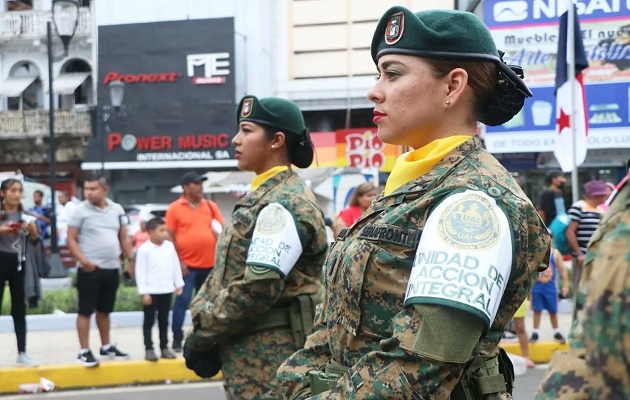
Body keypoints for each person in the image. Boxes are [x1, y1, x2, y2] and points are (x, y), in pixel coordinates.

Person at [277, 7, 549, 399]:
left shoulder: (473, 202)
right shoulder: (410, 188)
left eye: (393, 73)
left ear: (453, 86)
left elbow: (420, 367)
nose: (375, 90)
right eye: (378, 74)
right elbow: (332, 330)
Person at [184, 95, 329, 399]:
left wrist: (202, 333)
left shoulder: (284, 202)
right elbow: (227, 272)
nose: (236, 139)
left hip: (271, 359)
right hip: (252, 352)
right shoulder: (266, 196)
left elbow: (257, 289)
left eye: (247, 131)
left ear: (276, 140)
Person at [535, 164, 630, 399]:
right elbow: (563, 226)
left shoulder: (612, 207)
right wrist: (576, 251)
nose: (563, 180)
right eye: (559, 177)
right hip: (583, 257)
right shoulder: (556, 197)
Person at [67, 176, 134, 367]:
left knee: (105, 310)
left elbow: (123, 236)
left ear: (104, 189)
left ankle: (106, 346)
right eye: (87, 188)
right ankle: (84, 350)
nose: (88, 192)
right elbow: (71, 239)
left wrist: (129, 261)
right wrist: (84, 261)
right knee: (85, 310)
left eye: (93, 188)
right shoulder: (80, 211)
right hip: (90, 269)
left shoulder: (116, 209)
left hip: (112, 267)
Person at [165, 171, 225, 352]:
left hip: (209, 266)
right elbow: (170, 236)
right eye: (196, 183)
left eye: (201, 183)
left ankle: (203, 338)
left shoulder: (210, 206)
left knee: (206, 305)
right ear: (186, 187)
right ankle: (177, 337)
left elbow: (221, 229)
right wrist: (179, 262)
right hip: (187, 267)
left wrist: (217, 235)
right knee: (182, 302)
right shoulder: (175, 208)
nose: (200, 187)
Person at [0, 179, 39, 367]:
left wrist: (32, 231)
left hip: (19, 264)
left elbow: (35, 241)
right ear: (3, 193)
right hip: (1, 260)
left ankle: (22, 352)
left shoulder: (27, 215)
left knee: (19, 310)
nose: (17, 194)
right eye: (12, 190)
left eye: (20, 190)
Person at [135, 217, 184, 362]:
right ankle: (149, 348)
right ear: (151, 232)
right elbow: (141, 272)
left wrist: (178, 284)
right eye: (161, 230)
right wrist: (144, 292)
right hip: (151, 291)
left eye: (165, 230)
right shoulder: (144, 249)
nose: (165, 233)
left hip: (166, 289)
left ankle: (164, 347)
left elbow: (175, 266)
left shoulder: (169, 246)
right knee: (149, 321)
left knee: (164, 320)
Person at [565, 180, 607, 296]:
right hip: (582, 256)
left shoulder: (601, 210)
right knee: (580, 288)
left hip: (597, 255)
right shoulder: (578, 207)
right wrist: (579, 254)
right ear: (595, 195)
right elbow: (570, 232)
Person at [529, 245, 569, 344]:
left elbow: (562, 269)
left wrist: (566, 285)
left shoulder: (555, 253)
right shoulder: (535, 251)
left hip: (550, 287)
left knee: (553, 311)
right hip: (537, 286)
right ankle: (535, 332)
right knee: (537, 310)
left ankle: (556, 331)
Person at [511, 299, 535, 369]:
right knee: (498, 327)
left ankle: (526, 357)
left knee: (520, 327)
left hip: (518, 297)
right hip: (502, 295)